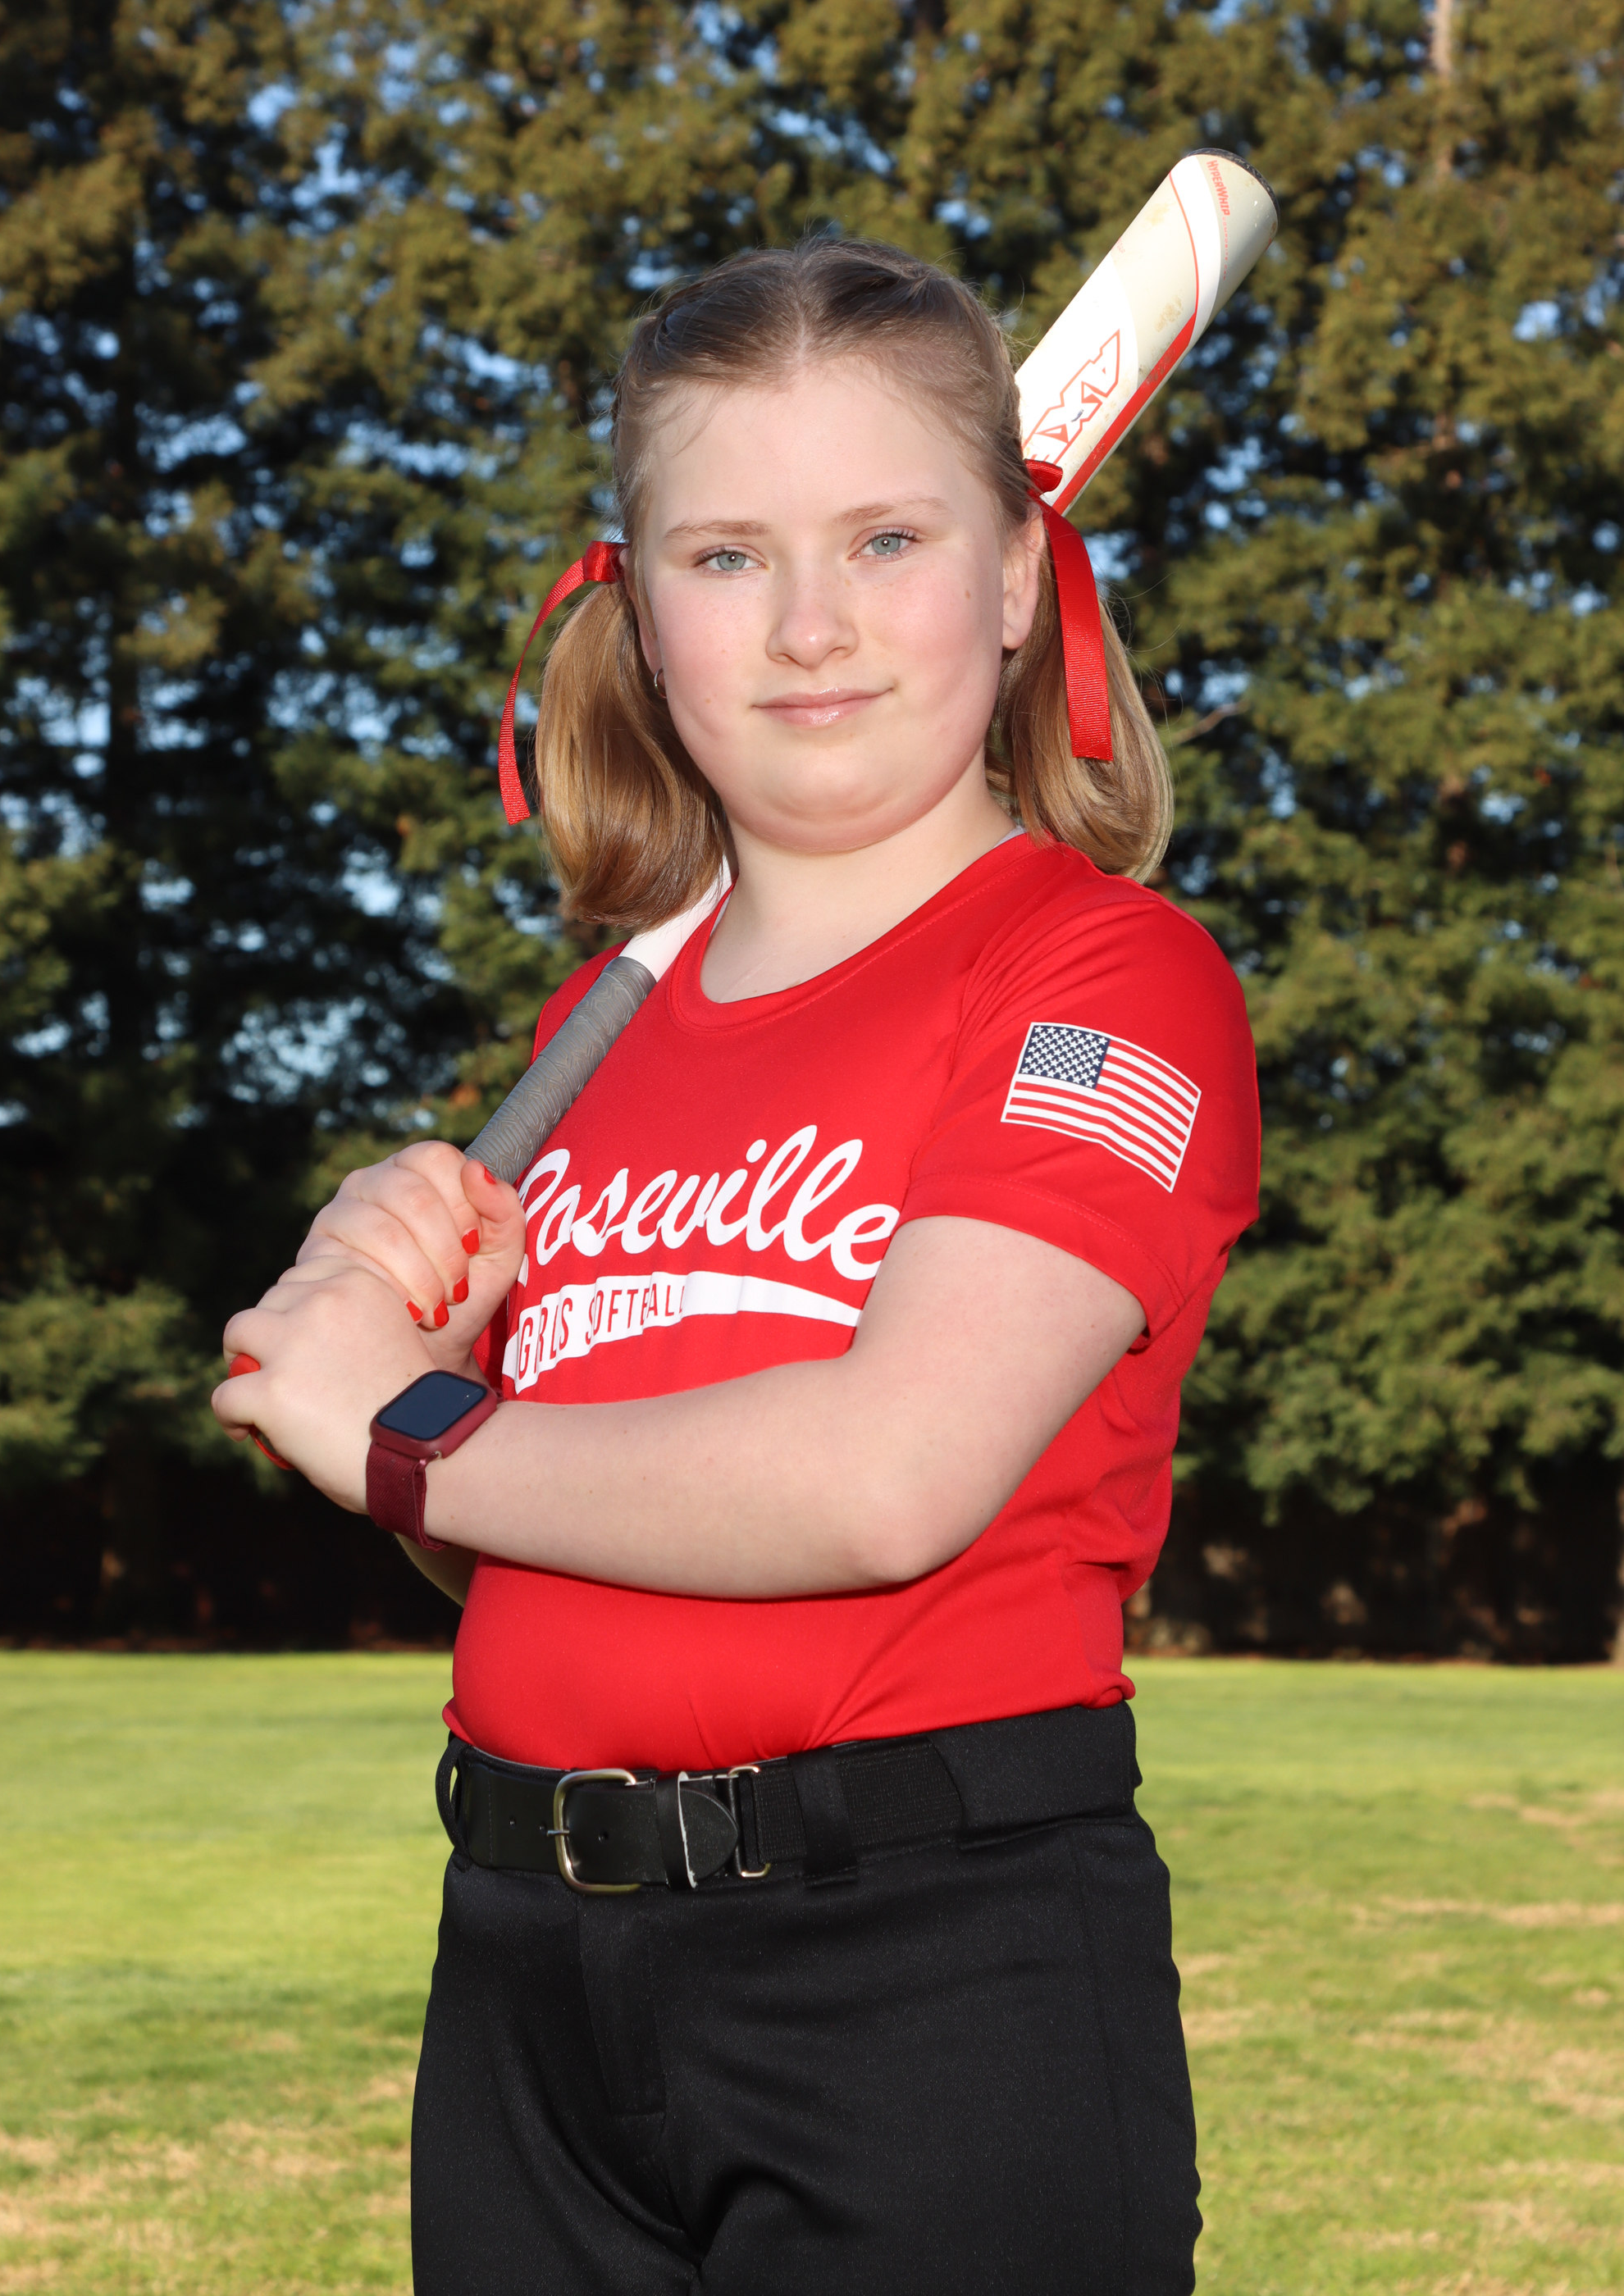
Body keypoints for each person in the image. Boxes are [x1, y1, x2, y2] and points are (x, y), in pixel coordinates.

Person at [212, 238, 1260, 2295]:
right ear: (635, 611)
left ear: (1018, 577)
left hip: (924, 1968)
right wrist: (404, 1373)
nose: (808, 626)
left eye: (886, 539)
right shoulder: (591, 1034)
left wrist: (405, 1429)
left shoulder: (1103, 982)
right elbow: (545, 1547)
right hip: (526, 1962)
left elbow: (883, 1479)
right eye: (725, 555)